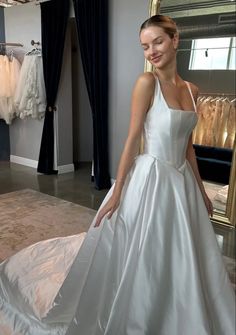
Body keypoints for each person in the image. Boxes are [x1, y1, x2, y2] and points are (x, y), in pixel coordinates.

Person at [0, 14, 235, 335]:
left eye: (158, 42)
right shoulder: (146, 84)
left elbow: (189, 149)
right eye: (144, 46)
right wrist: (119, 188)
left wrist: (202, 190)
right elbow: (132, 138)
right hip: (150, 178)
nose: (151, 51)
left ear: (175, 40)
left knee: (182, 252)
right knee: (142, 250)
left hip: (181, 182)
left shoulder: (193, 90)